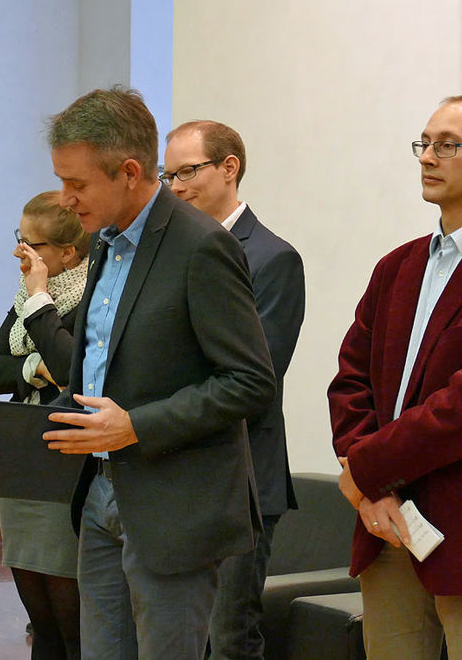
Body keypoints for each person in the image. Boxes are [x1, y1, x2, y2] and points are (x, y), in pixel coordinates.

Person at [43, 87, 276, 660]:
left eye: (77, 184)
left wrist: (137, 426)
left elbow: (249, 381)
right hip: (99, 491)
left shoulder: (202, 247)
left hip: (173, 505)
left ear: (127, 171)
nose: (65, 199)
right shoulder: (103, 242)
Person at [328, 95, 462, 660]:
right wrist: (366, 478)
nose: (428, 157)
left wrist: (367, 469)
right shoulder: (396, 266)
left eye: (447, 145)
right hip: (385, 523)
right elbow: (350, 380)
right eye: (424, 143)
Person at [163, 120, 305, 660]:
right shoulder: (170, 251)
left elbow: (255, 379)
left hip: (240, 479)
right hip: (173, 475)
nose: (175, 186)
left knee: (228, 639)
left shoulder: (271, 258)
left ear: (229, 168)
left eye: (187, 171)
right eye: (168, 174)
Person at [0, 190, 90, 660]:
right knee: (39, 617)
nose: (21, 255)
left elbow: (73, 368)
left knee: (71, 620)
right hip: (22, 464)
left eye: (33, 246)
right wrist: (32, 369)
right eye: (19, 241)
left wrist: (41, 304)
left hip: (67, 463)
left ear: (68, 252)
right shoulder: (25, 297)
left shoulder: (91, 295)